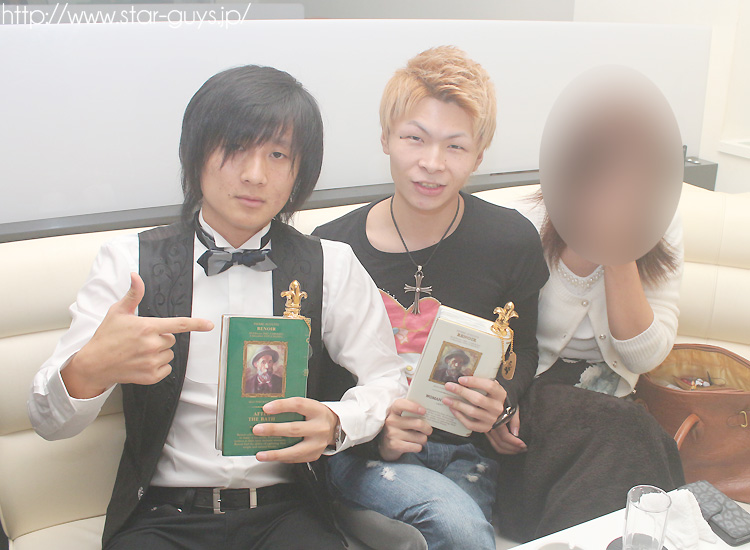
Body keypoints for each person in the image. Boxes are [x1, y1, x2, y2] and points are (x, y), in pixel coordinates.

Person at [28, 65, 407, 550]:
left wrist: (339, 423)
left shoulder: (330, 263)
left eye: (277, 154)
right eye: (235, 148)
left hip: (286, 512)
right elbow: (48, 422)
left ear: (300, 171)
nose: (255, 174)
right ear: (196, 155)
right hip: (164, 516)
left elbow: (387, 377)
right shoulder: (129, 263)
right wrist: (88, 370)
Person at [313, 46, 549, 550]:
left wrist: (503, 400)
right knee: (458, 529)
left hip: (468, 452)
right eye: (414, 138)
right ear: (386, 138)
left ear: (479, 156)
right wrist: (377, 434)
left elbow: (524, 348)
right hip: (362, 456)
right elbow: (317, 383)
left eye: (455, 146)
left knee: (465, 529)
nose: (432, 164)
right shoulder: (332, 248)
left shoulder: (511, 240)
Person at [489, 76, 686, 540]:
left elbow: (645, 357)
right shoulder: (527, 220)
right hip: (529, 400)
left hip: (609, 408)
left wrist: (620, 247)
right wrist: (498, 405)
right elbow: (489, 331)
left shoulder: (661, 222)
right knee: (631, 434)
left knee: (629, 435)